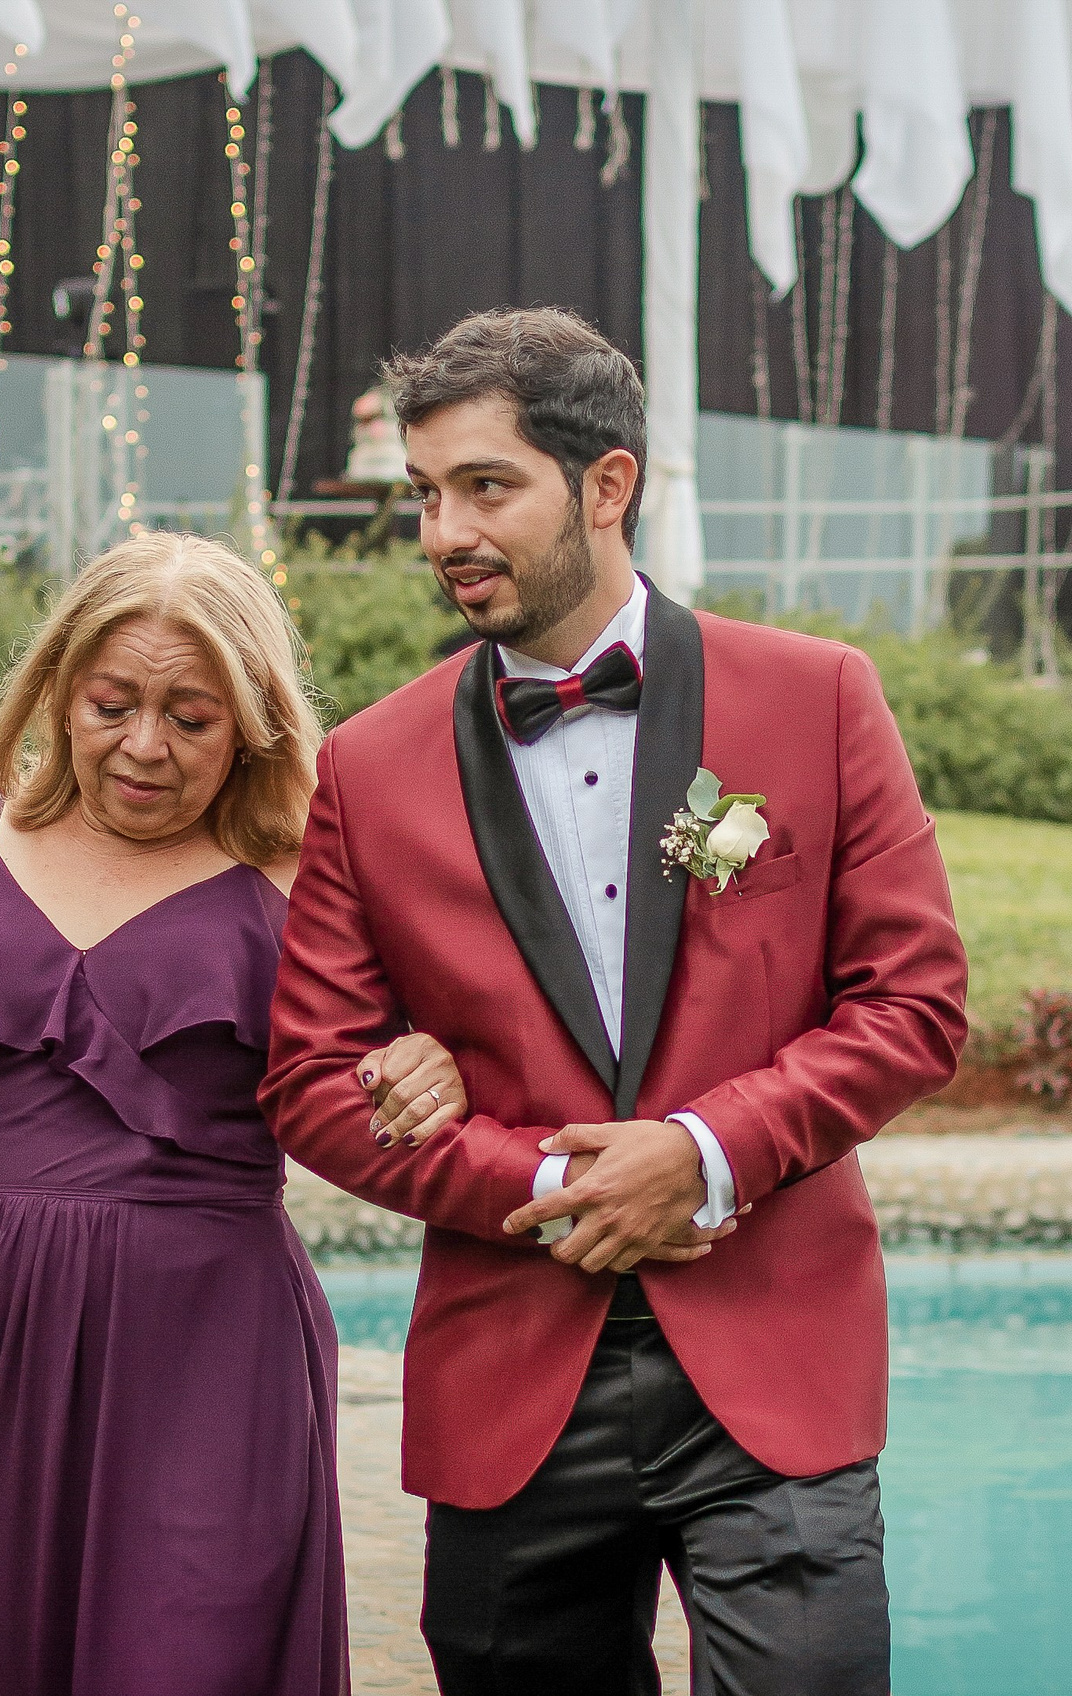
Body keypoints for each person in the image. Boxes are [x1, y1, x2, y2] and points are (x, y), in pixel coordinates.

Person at [261, 307, 970, 1695]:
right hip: (512, 1374)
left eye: (484, 486)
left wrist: (704, 1156)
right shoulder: (366, 765)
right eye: (424, 494)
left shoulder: (819, 698)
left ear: (606, 484)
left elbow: (915, 1004)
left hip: (773, 1357)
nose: (444, 532)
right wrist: (547, 1180)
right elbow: (310, 1080)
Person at [0, 533, 463, 1696]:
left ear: (251, 726)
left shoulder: (305, 884)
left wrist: (432, 1062)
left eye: (191, 717)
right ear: (56, 690)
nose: (145, 745)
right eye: (112, 703)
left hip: (213, 1359)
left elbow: (412, 1062)